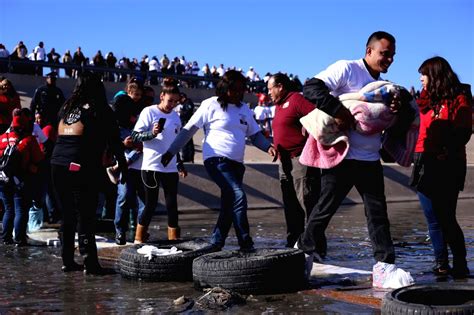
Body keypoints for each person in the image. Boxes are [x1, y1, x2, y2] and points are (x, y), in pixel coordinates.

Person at [297, 31, 402, 280]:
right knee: (324, 210)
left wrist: (395, 109)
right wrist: (338, 110)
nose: (389, 60)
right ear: (369, 51)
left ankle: (384, 266)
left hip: (370, 158)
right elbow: (311, 87)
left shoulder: (385, 87)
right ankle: (302, 253)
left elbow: (387, 117)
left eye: (393, 56)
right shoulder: (347, 69)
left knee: (378, 214)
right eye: (385, 54)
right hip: (342, 155)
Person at [162, 70, 277, 251]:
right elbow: (189, 129)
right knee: (238, 195)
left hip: (237, 164)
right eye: (235, 89)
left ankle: (217, 242)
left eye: (242, 89)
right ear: (225, 88)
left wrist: (268, 147)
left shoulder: (244, 109)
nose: (239, 93)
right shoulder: (210, 105)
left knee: (228, 202)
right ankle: (245, 243)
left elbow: (255, 135)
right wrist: (171, 152)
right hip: (216, 160)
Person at [50, 71, 126, 274]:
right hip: (80, 165)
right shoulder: (99, 108)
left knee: (67, 215)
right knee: (86, 214)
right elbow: (114, 140)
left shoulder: (67, 107)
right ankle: (90, 263)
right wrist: (123, 164)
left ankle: (67, 260)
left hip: (57, 163)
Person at [410, 56, 472, 278]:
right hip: (423, 160)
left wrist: (448, 148)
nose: (420, 79)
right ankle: (441, 264)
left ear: (435, 75)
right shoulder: (423, 101)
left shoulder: (460, 98)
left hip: (448, 163)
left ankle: (461, 265)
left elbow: (464, 129)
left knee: (447, 216)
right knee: (431, 217)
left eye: (423, 74)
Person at [267, 73, 321, 247]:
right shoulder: (278, 106)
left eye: (270, 89)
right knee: (290, 207)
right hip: (284, 163)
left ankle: (316, 247)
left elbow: (317, 115)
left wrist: (308, 125)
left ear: (280, 87)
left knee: (307, 204)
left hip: (300, 162)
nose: (268, 93)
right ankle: (293, 243)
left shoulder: (296, 99)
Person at [130, 78, 187, 243]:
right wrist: (152, 134)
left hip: (170, 167)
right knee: (150, 204)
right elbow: (135, 135)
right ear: (162, 96)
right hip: (151, 166)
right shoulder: (149, 112)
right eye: (170, 101)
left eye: (176, 102)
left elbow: (175, 143)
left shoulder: (176, 117)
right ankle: (139, 238)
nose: (172, 105)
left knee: (172, 205)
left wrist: (179, 163)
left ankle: (174, 240)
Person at [0, 109, 45, 246]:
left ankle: (6, 237)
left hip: (3, 179)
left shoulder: (2, 138)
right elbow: (39, 158)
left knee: (8, 208)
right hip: (21, 180)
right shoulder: (29, 140)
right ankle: (19, 239)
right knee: (20, 209)